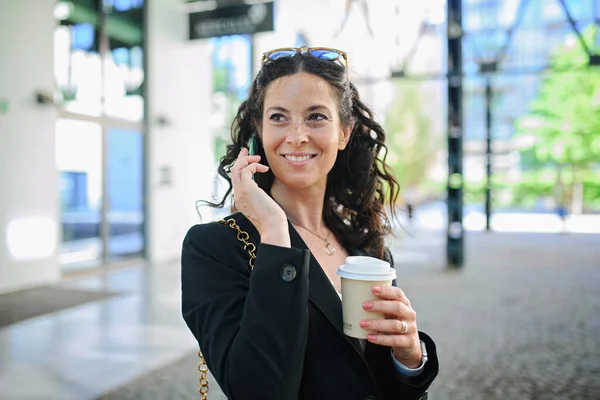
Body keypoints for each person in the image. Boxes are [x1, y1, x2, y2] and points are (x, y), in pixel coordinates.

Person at [181, 46, 439, 400]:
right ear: (258, 129)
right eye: (278, 117)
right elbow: (258, 391)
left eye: (316, 116)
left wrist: (409, 358)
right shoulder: (215, 248)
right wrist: (274, 233)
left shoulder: (365, 248)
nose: (297, 135)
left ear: (344, 132)